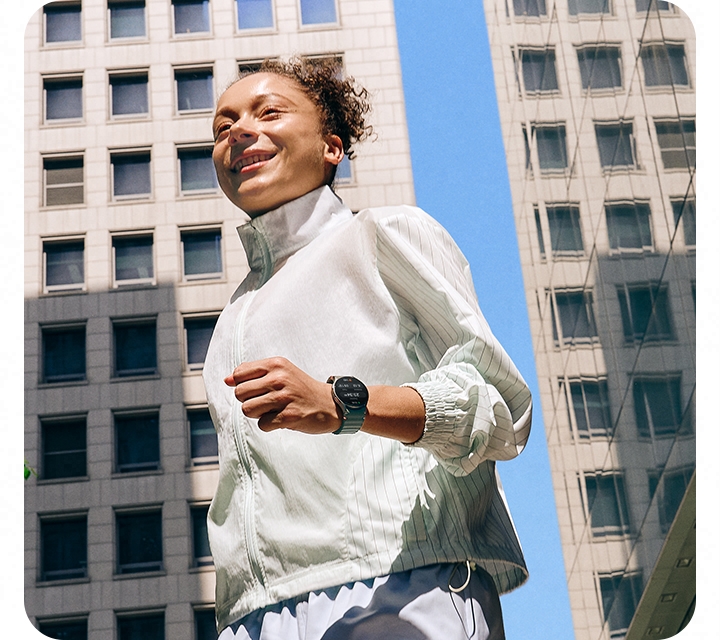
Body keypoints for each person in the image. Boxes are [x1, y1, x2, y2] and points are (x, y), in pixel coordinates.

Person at [202, 58, 532, 640]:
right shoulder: (233, 313)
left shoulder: (386, 234)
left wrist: (342, 404)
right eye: (222, 127)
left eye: (268, 112)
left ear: (332, 147)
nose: (239, 133)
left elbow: (495, 405)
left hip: (397, 585)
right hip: (255, 614)